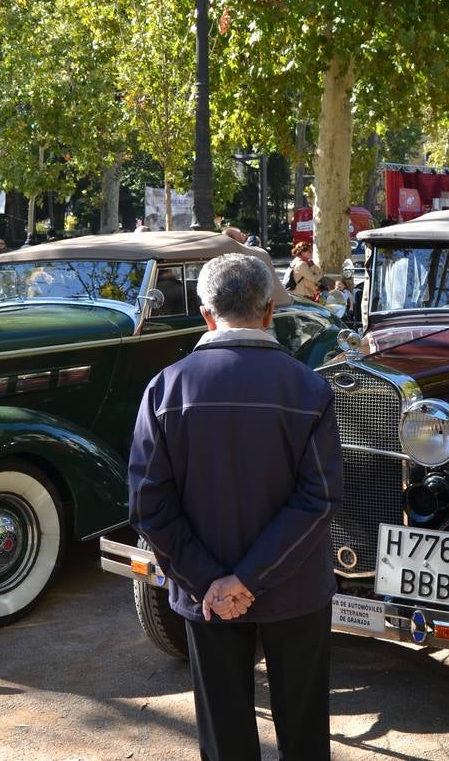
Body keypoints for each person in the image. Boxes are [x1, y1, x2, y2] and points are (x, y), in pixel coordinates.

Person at [129, 254, 342, 760]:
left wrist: (214, 581)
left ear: (206, 315)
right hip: (294, 587)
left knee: (224, 732)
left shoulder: (166, 388)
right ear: (270, 311)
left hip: (206, 593)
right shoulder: (308, 387)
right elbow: (319, 498)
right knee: (304, 726)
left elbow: (147, 504)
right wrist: (247, 578)